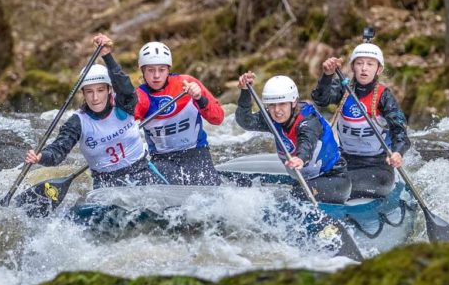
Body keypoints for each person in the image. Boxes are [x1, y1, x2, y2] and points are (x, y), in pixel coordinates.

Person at [23, 35, 161, 189]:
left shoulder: (124, 104)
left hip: (142, 173)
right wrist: (40, 157)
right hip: (106, 183)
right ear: (83, 93)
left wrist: (107, 55)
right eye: (89, 92)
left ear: (109, 89)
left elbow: (124, 86)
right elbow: (57, 151)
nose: (95, 97)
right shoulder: (77, 122)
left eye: (100, 90)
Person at [311, 42, 410, 197]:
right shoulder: (344, 90)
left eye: (370, 64)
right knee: (324, 180)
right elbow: (321, 99)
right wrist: (327, 76)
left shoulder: (384, 96)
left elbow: (400, 131)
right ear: (352, 67)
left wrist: (397, 153)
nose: (364, 68)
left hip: (377, 168)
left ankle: (334, 191)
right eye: (359, 63)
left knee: (337, 185)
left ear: (379, 69)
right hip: (345, 161)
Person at [235, 71, 351, 203]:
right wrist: (245, 91)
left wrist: (300, 159)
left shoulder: (308, 121)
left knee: (294, 196)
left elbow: (307, 143)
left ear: (294, 102)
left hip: (334, 180)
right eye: (272, 105)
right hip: (305, 180)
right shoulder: (272, 118)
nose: (277, 110)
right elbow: (246, 121)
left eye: (282, 104)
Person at [131, 40, 224, 186]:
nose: (156, 75)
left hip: (197, 153)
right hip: (162, 160)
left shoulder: (187, 84)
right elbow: (122, 124)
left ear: (168, 69)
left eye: (161, 70)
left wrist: (200, 99)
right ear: (142, 71)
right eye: (150, 70)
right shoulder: (140, 96)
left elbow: (218, 118)